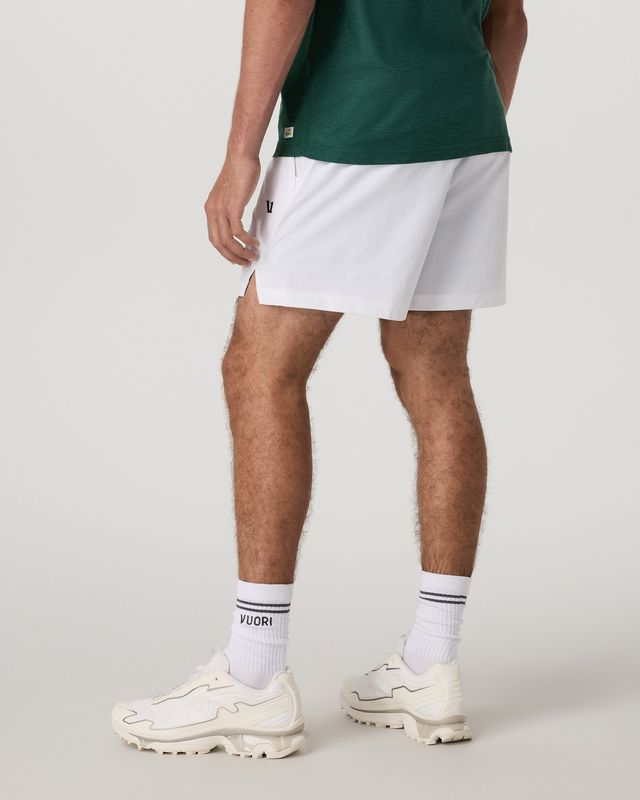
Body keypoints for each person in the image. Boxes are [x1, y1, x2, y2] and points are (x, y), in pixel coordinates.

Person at [111, 0, 528, 759]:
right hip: (468, 131)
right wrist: (448, 132)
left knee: (260, 369)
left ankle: (252, 676)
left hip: (356, 126)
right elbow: (510, 17)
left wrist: (240, 152)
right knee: (438, 375)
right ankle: (431, 664)